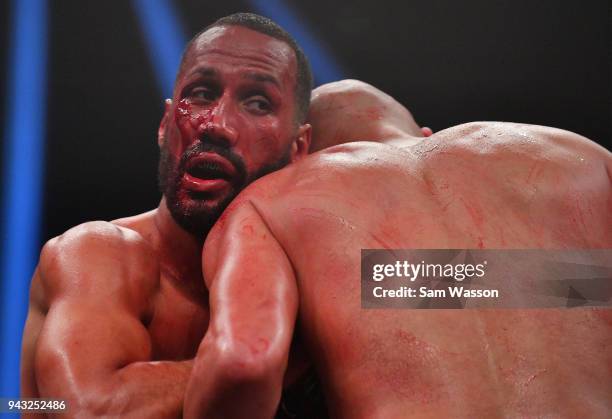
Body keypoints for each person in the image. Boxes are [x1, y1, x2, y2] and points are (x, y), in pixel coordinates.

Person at [192, 79, 612, 418]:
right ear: (424, 134)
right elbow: (478, 287)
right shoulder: (579, 155)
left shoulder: (269, 201)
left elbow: (245, 364)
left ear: (301, 152)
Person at [20, 13, 316, 417]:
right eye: (200, 94)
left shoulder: (316, 269)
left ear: (299, 149)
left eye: (257, 102)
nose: (217, 125)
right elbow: (88, 410)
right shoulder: (97, 251)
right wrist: (274, 359)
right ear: (165, 123)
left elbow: (426, 287)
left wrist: (416, 178)